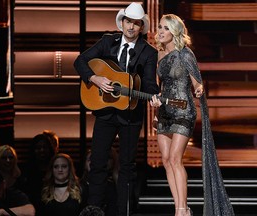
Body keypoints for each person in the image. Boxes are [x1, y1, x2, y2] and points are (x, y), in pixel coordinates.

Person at [74, 2, 159, 215]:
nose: (131, 27)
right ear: (122, 22)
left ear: (142, 27)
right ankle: (94, 209)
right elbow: (81, 60)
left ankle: (124, 211)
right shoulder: (107, 42)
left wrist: (154, 95)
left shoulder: (149, 52)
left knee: (127, 167)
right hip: (105, 111)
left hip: (131, 114)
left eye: (136, 23)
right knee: (98, 162)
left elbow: (148, 83)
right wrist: (94, 78)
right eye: (128, 21)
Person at [151, 14, 234, 216]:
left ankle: (181, 209)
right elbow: (157, 87)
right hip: (163, 112)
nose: (160, 31)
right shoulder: (158, 55)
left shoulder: (185, 54)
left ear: (175, 32)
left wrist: (199, 90)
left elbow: (198, 84)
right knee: (166, 160)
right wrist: (154, 109)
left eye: (166, 28)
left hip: (183, 111)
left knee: (175, 158)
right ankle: (180, 207)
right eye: (160, 27)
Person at [21, 130, 59, 214]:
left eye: (45, 147)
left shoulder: (56, 169)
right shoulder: (26, 171)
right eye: (38, 148)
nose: (42, 150)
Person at [80, 148, 118, 216]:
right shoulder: (78, 186)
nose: (92, 163)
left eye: (96, 160)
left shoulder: (111, 187)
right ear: (85, 163)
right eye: (89, 159)